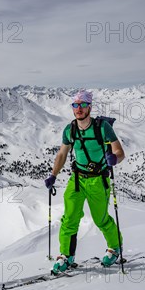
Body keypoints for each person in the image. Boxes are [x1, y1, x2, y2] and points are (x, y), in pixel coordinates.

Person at [44, 89, 126, 274]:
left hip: (98, 181)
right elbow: (62, 154)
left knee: (101, 219)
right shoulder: (70, 129)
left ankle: (115, 247)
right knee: (69, 219)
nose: (78, 109)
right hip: (77, 180)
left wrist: (114, 159)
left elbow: (119, 152)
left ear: (90, 106)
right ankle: (66, 255)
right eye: (75, 105)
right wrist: (53, 175)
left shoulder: (102, 128)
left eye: (82, 105)